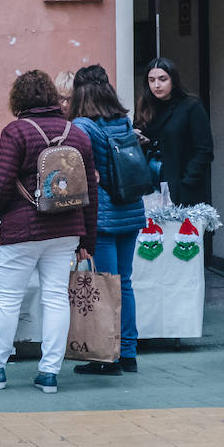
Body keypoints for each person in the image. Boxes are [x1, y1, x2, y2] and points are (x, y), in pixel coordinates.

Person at [0, 70, 97, 394]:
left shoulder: (17, 132)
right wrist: (87, 240)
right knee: (55, 299)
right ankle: (49, 373)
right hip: (66, 229)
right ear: (53, 96)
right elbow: (90, 192)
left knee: (8, 300)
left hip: (23, 229)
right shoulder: (77, 135)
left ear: (19, 99)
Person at [69, 64, 145, 375]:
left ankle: (106, 357)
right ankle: (128, 352)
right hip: (130, 210)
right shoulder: (123, 122)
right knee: (124, 284)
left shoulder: (83, 127)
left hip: (102, 217)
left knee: (104, 286)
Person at [134, 56, 213, 206]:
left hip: (181, 183)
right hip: (150, 184)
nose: (156, 85)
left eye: (162, 79)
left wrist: (188, 182)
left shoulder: (191, 106)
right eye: (151, 80)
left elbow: (204, 150)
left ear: (173, 80)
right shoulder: (144, 107)